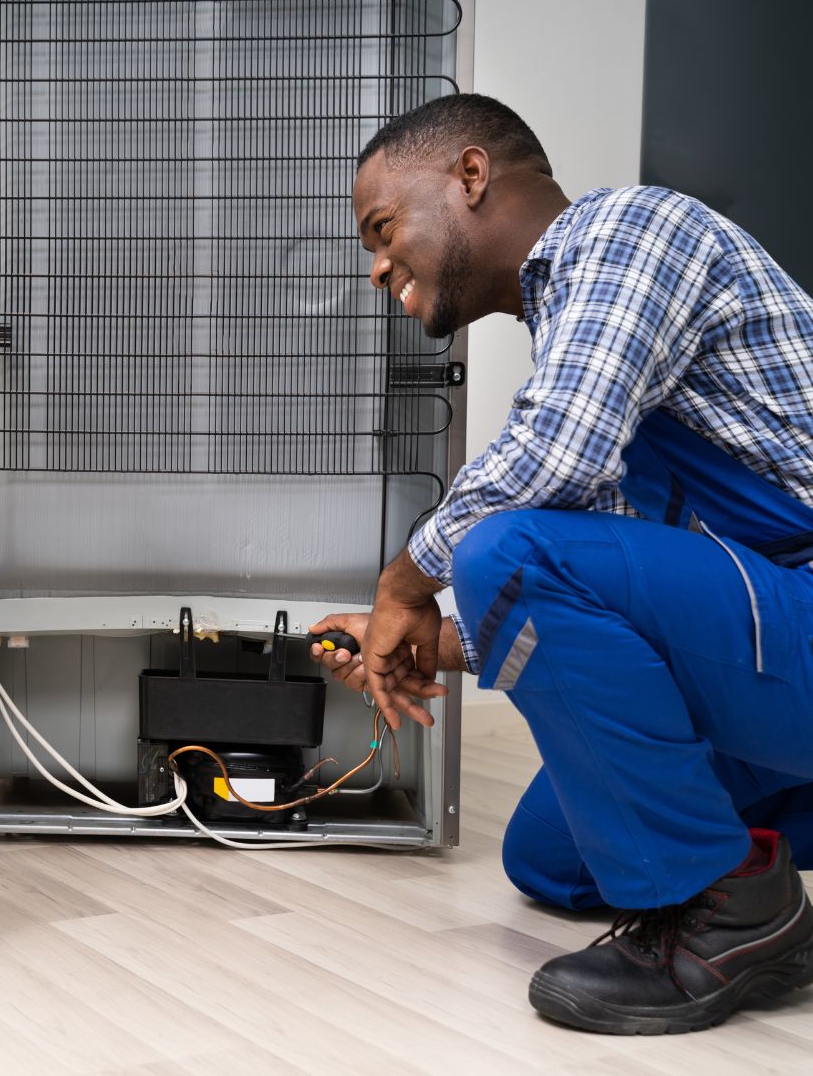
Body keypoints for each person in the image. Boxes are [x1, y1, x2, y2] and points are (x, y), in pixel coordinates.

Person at [308, 93, 813, 1034]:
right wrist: (438, 646)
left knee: (505, 544)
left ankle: (738, 912)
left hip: (801, 611)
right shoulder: (583, 326)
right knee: (552, 857)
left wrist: (400, 586)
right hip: (771, 634)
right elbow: (618, 583)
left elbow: (555, 459)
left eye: (383, 228)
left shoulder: (633, 230)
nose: (376, 267)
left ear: (470, 175)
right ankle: (747, 855)